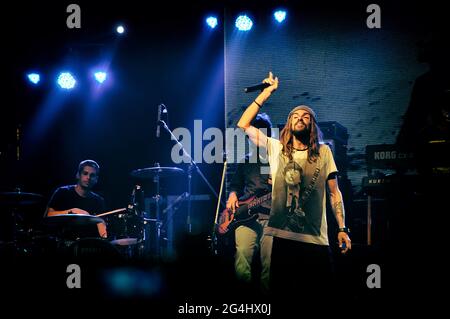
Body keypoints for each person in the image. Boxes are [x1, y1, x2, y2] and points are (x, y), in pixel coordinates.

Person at [237, 72, 351, 297]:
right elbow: (243, 123)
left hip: (316, 239)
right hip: (281, 237)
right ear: (288, 124)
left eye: (306, 116)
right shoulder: (276, 148)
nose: (300, 118)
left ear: (312, 124)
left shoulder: (324, 152)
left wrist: (342, 228)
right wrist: (267, 93)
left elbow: (334, 193)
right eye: (295, 116)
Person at [220, 113, 273, 294]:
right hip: (245, 216)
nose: (253, 137)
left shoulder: (275, 158)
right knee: (241, 257)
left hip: (271, 216)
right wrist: (233, 195)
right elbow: (235, 185)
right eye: (250, 134)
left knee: (269, 264)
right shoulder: (245, 161)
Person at [45, 159, 107, 238]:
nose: (88, 177)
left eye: (92, 175)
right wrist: (72, 211)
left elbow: (101, 222)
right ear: (78, 175)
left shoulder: (98, 201)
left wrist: (105, 239)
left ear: (96, 179)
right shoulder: (62, 192)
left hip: (86, 243)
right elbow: (49, 215)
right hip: (62, 240)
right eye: (85, 173)